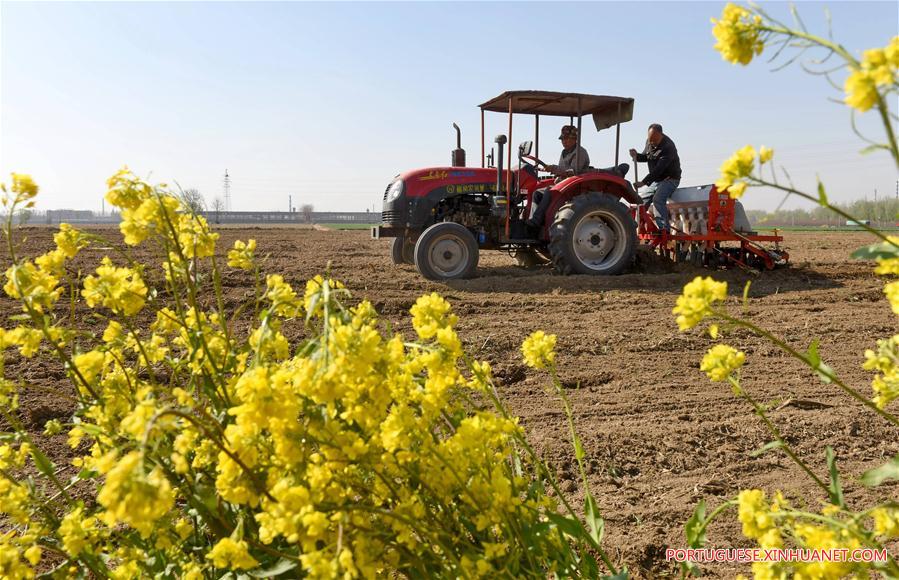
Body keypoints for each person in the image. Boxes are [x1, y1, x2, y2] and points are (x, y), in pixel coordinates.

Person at [527, 125, 590, 228]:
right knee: (537, 193)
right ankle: (533, 220)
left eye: (566, 139)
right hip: (561, 183)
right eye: (562, 139)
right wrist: (549, 169)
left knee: (548, 191)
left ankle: (535, 222)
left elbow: (572, 172)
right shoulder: (564, 152)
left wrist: (553, 168)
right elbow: (561, 169)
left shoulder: (580, 152)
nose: (563, 141)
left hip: (573, 186)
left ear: (574, 139)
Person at [629, 123, 682, 233]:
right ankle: (640, 228)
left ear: (661, 135)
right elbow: (646, 157)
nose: (652, 143)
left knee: (658, 199)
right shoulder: (650, 141)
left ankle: (663, 229)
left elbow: (659, 169)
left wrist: (643, 182)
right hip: (656, 180)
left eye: (654, 140)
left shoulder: (668, 147)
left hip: (670, 179)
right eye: (650, 139)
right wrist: (636, 156)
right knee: (641, 202)